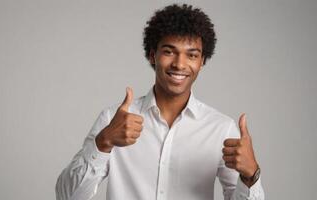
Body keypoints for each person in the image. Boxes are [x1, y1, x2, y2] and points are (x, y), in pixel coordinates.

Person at [56, 4, 264, 200]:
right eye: (169, 51)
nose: (179, 64)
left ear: (202, 62)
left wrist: (250, 175)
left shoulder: (220, 128)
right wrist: (103, 142)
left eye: (191, 55)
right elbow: (66, 196)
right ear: (152, 55)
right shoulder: (114, 120)